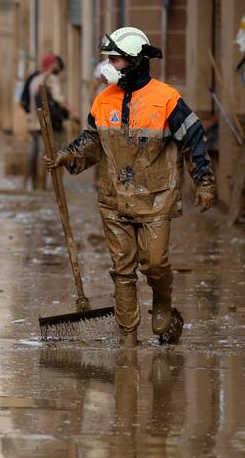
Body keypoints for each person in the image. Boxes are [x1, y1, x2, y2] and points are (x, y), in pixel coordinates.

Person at [45, 27, 216, 348]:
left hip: (156, 198)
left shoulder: (167, 99)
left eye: (115, 59)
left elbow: (194, 140)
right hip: (113, 198)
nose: (108, 65)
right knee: (121, 270)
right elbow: (92, 141)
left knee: (154, 262)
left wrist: (204, 181)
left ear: (136, 62)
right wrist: (66, 156)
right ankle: (128, 343)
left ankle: (162, 299)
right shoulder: (103, 100)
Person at [22, 54, 75, 189]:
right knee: (57, 153)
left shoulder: (35, 79)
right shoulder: (51, 78)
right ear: (51, 65)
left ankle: (34, 185)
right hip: (48, 123)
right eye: (55, 64)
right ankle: (52, 186)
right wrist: (72, 110)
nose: (57, 66)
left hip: (34, 123)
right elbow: (58, 98)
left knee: (37, 152)